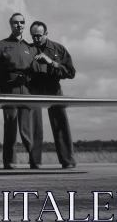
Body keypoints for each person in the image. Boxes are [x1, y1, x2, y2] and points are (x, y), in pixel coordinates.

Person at [0, 12, 43, 169]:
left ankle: (35, 161)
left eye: (22, 22)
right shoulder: (1, 45)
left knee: (28, 128)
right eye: (15, 22)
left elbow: (39, 72)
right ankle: (10, 161)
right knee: (10, 126)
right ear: (10, 24)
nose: (19, 25)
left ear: (24, 25)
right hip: (8, 89)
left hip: (27, 91)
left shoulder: (31, 48)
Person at [29, 21, 77, 169]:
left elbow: (71, 72)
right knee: (33, 126)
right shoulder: (27, 49)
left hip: (53, 89)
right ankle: (35, 162)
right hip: (33, 90)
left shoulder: (58, 49)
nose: (36, 39)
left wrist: (52, 63)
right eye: (33, 36)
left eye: (39, 36)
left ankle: (67, 160)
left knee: (60, 124)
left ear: (46, 34)